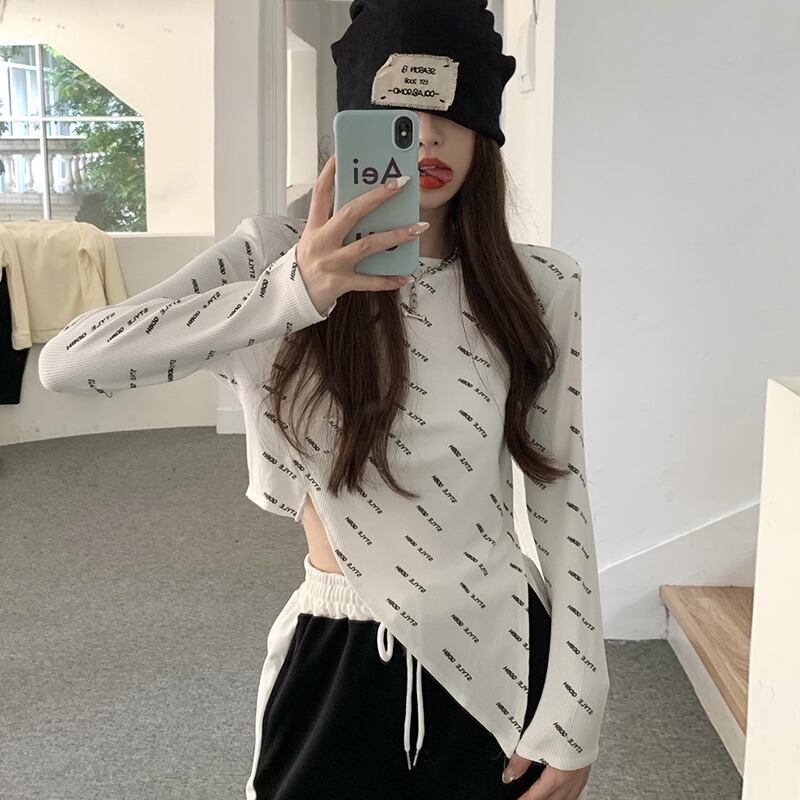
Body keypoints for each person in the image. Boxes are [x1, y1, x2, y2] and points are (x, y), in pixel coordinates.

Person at [39, 2, 610, 798]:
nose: (428, 137)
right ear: (353, 128)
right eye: (398, 117)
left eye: (453, 112)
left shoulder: (538, 284)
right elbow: (71, 364)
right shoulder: (273, 258)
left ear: (487, 128)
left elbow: (559, 493)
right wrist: (292, 293)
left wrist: (579, 705)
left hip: (502, 651)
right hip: (341, 651)